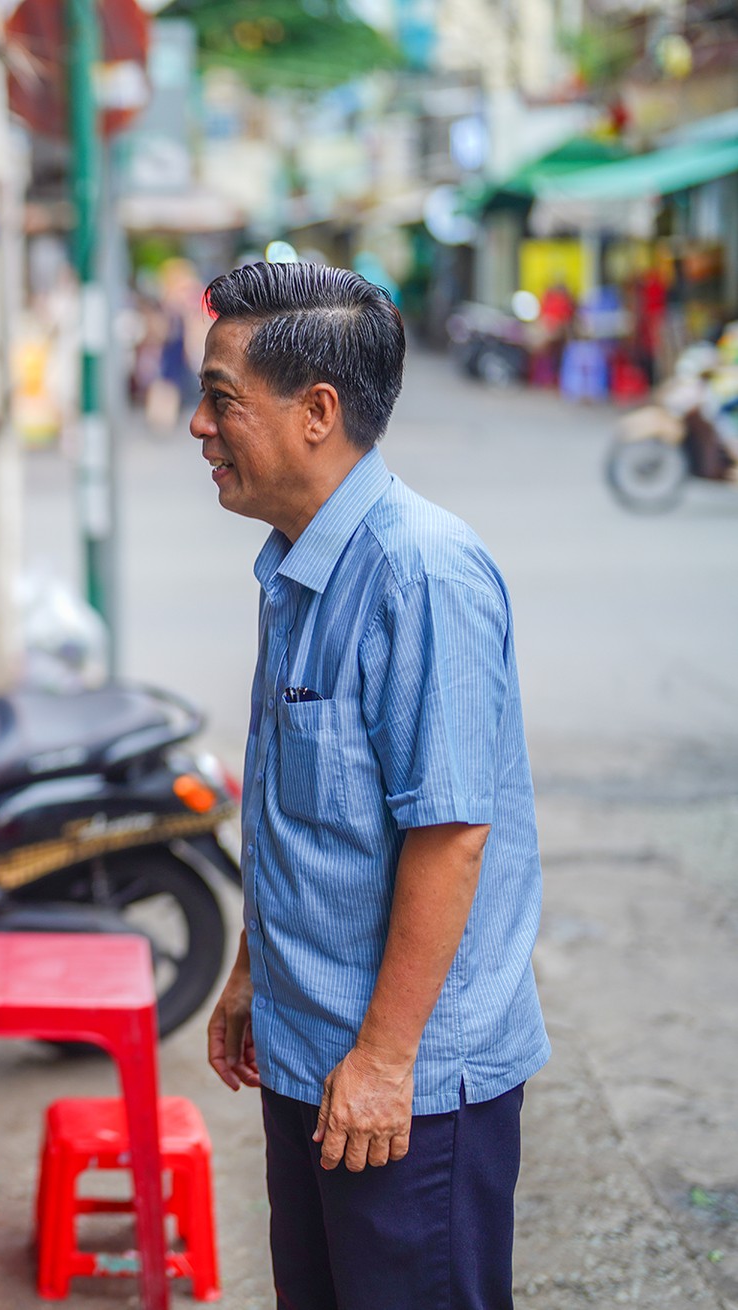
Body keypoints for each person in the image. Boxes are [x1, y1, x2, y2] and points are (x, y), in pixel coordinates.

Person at [194, 263, 550, 1308]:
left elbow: (450, 838)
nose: (197, 426)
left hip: (407, 1085)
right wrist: (255, 967)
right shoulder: (292, 565)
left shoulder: (419, 573)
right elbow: (301, 813)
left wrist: (387, 1060)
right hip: (313, 1054)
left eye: (220, 398)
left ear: (317, 412)